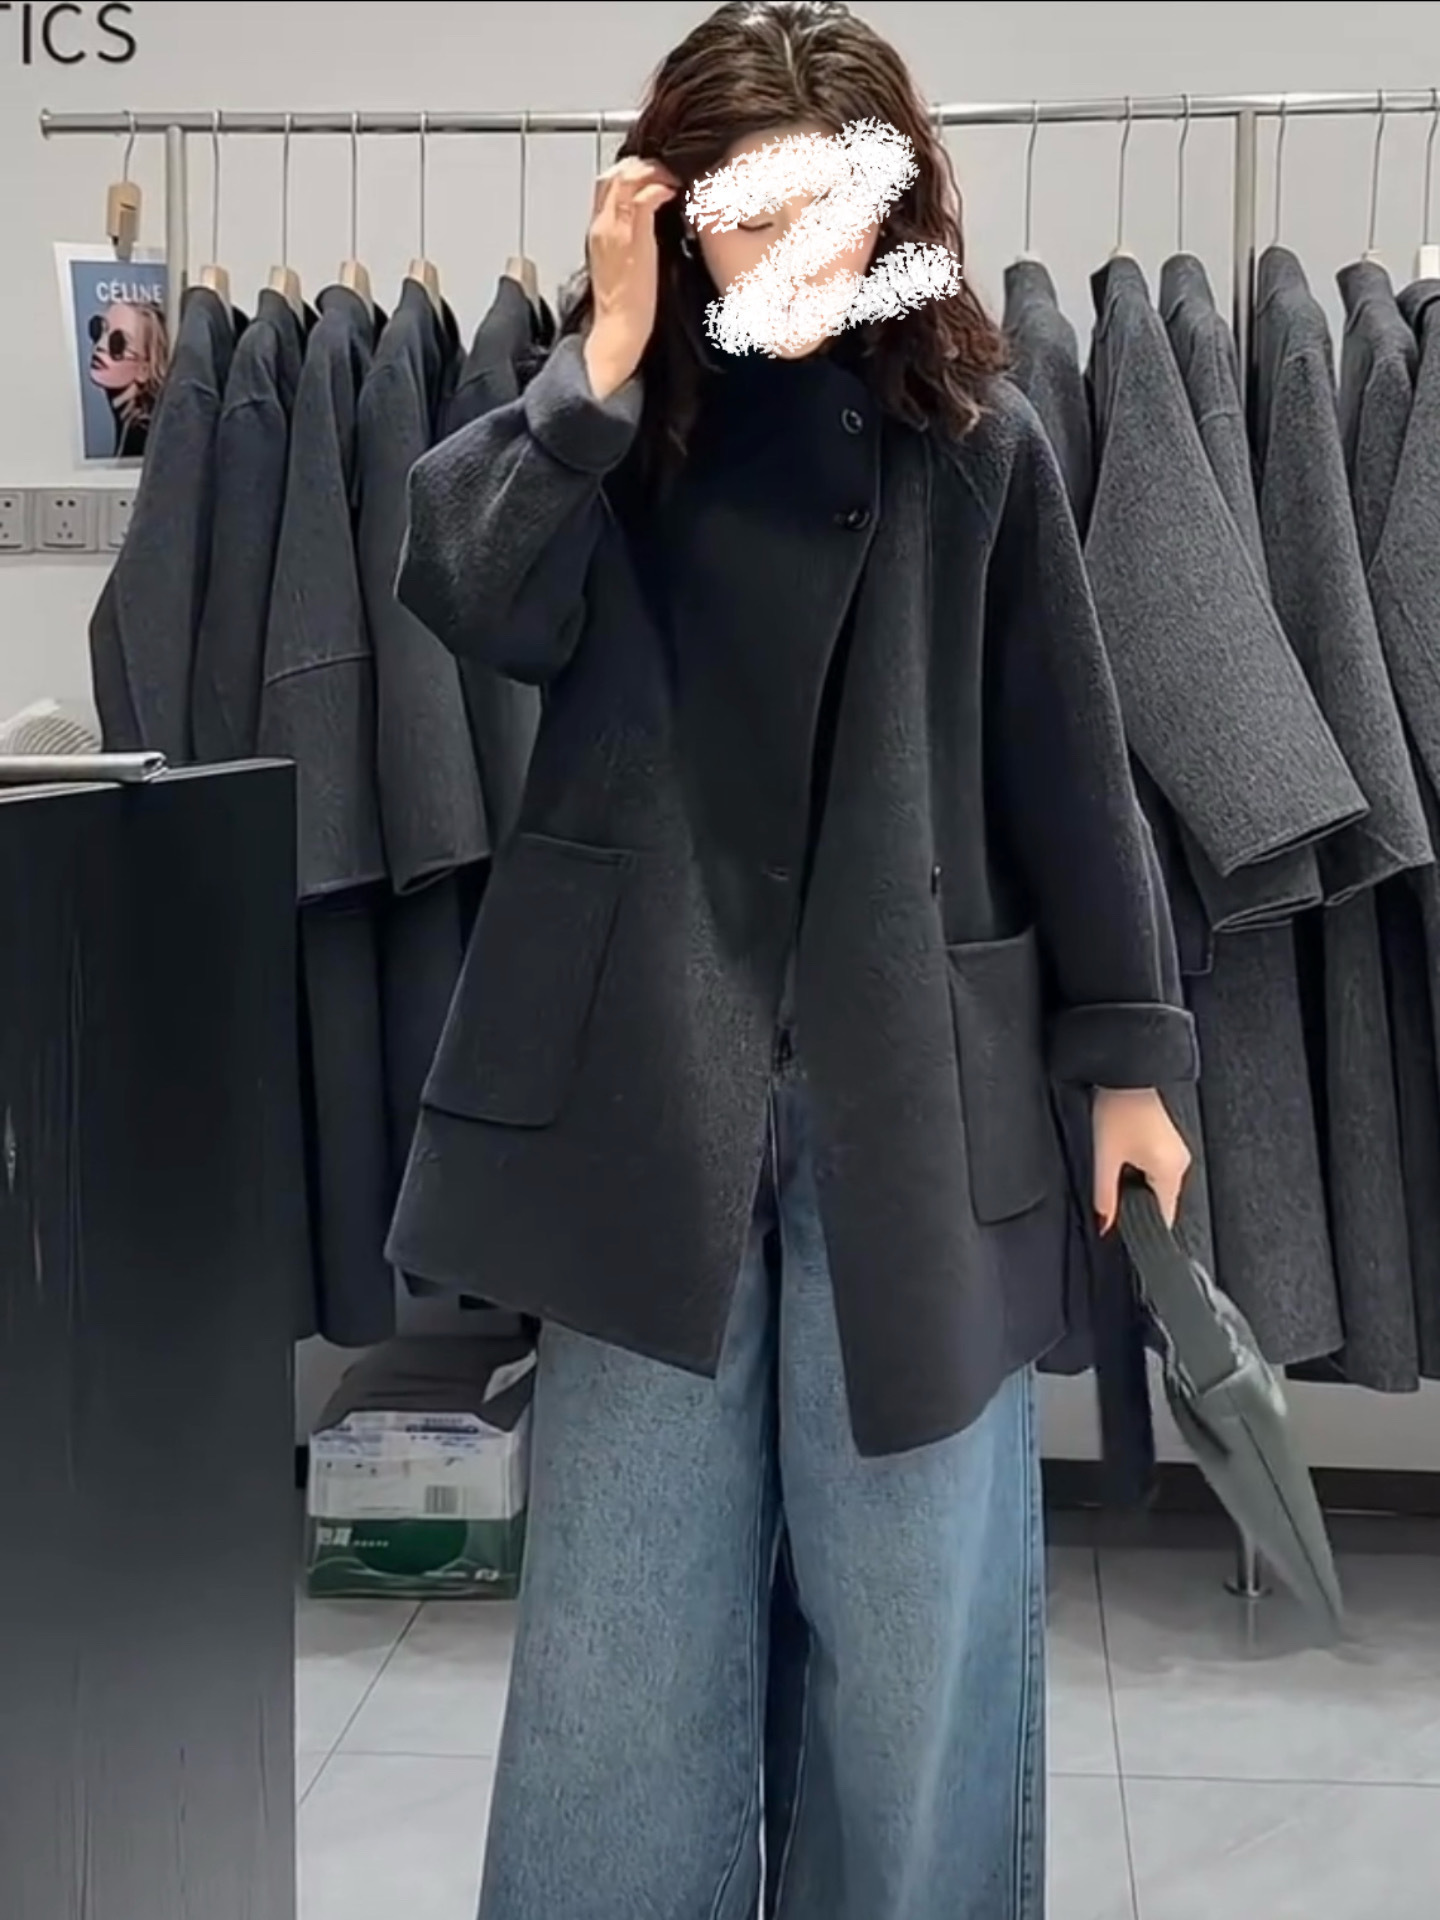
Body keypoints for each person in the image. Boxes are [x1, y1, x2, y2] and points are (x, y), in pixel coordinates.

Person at [391, 4, 1195, 1915]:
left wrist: (1131, 1056)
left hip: (911, 1102)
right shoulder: (605, 436)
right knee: (624, 1651)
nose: (796, 263)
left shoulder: (978, 449)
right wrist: (596, 364)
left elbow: (1067, 768)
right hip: (644, 1102)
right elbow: (463, 589)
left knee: (918, 1643)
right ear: (664, 213)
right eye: (748, 219)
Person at [87, 298, 169, 458]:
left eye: (118, 343)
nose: (100, 346)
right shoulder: (133, 425)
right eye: (100, 330)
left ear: (144, 370)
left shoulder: (142, 436)